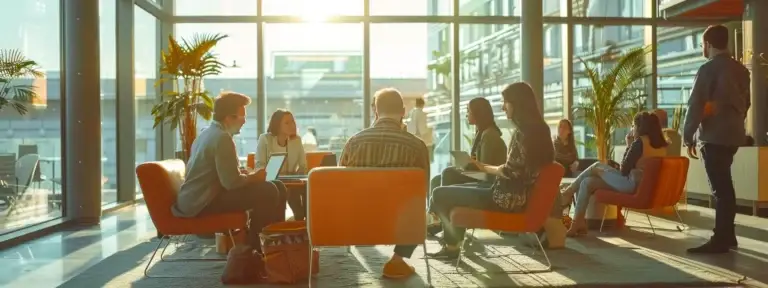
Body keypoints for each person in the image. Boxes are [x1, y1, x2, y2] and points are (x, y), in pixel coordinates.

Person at [427, 82, 560, 259]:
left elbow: (508, 172)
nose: (503, 107)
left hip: (504, 199)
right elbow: (516, 171)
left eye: (506, 102)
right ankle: (453, 242)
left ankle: (452, 247)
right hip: (514, 196)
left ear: (517, 103)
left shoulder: (522, 134)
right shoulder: (541, 131)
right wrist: (484, 167)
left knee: (439, 194)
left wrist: (483, 167)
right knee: (448, 182)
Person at [172, 92, 288, 250]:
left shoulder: (207, 133)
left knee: (277, 186)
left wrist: (245, 174)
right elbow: (231, 183)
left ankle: (275, 244)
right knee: (268, 190)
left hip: (201, 198)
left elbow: (222, 174)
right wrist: (254, 177)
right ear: (229, 118)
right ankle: (255, 248)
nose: (245, 121)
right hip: (202, 204)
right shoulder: (222, 138)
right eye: (242, 117)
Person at [339, 88, 430, 279]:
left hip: (358, 221)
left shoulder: (354, 142)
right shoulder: (416, 146)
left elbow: (342, 183)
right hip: (401, 225)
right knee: (417, 208)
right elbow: (423, 192)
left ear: (376, 112)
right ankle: (397, 259)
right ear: (403, 112)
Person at [683, 25, 750, 254]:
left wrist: (688, 136)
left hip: (713, 136)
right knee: (725, 186)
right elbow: (746, 104)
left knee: (721, 190)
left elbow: (696, 105)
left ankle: (721, 238)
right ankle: (728, 236)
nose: (703, 48)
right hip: (733, 136)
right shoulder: (742, 70)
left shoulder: (707, 69)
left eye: (703, 44)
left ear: (709, 44)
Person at [562, 112, 667, 237]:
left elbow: (623, 170)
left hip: (630, 185)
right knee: (587, 182)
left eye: (633, 126)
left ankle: (568, 192)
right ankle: (578, 223)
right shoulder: (662, 146)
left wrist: (629, 145)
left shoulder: (639, 143)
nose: (632, 129)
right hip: (643, 187)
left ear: (640, 127)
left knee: (596, 167)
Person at [427, 97, 507, 236]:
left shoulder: (489, 136)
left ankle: (448, 228)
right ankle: (442, 220)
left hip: (488, 182)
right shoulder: (481, 133)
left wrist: (467, 167)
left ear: (478, 114)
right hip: (482, 178)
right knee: (436, 180)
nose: (466, 115)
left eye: (468, 111)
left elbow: (485, 170)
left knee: (449, 173)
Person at [256, 109, 309, 221]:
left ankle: (305, 225)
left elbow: (303, 165)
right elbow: (259, 165)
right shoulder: (265, 139)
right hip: (272, 182)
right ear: (277, 125)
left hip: (293, 182)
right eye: (287, 123)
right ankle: (280, 227)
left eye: (293, 122)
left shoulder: (297, 140)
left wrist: (300, 173)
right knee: (282, 191)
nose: (292, 125)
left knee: (306, 190)